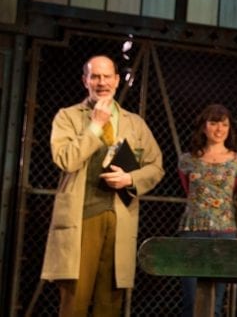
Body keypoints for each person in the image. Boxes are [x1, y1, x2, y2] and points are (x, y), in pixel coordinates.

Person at [41, 55, 164, 317]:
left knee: (110, 302)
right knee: (74, 301)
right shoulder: (68, 117)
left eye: (107, 76)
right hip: (82, 217)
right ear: (85, 80)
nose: (101, 82)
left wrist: (131, 179)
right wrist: (95, 125)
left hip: (120, 218)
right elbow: (66, 159)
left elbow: (156, 166)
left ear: (117, 80)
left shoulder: (134, 123)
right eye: (95, 76)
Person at [177, 103, 237, 317]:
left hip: (224, 231)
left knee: (216, 303)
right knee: (190, 300)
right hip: (193, 230)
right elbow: (187, 188)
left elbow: (234, 189)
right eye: (214, 123)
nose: (219, 129)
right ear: (204, 126)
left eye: (224, 124)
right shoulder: (187, 160)